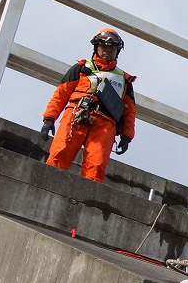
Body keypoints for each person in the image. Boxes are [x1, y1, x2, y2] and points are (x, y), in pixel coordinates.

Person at [41, 28, 137, 183]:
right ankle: (45, 186)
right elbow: (61, 94)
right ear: (96, 47)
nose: (107, 50)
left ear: (117, 51)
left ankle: (87, 202)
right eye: (103, 46)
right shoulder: (80, 68)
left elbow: (129, 112)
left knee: (96, 166)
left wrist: (126, 136)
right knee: (59, 154)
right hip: (76, 115)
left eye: (111, 48)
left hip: (105, 125)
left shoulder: (124, 80)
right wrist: (49, 119)